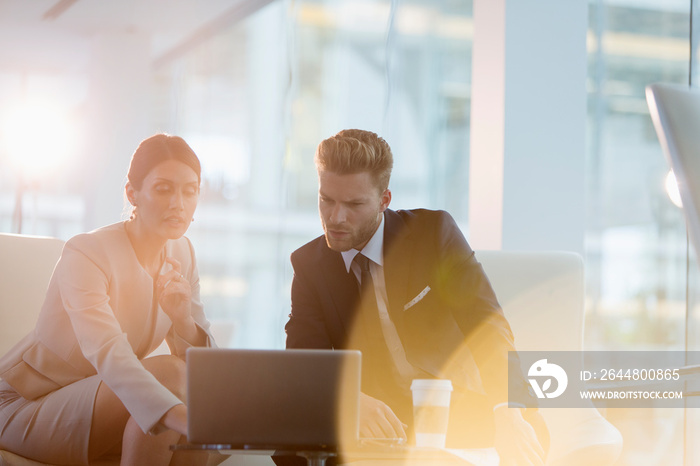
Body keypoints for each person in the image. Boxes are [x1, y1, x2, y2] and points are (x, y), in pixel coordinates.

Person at [282, 129, 547, 465]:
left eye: (354, 204)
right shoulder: (310, 265)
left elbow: (488, 326)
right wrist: (349, 397)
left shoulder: (432, 235)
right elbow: (305, 360)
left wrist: (507, 411)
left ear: (384, 200)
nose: (336, 217)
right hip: (382, 422)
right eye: (326, 200)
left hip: (462, 407)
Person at [0, 134, 213, 466]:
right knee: (170, 378)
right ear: (132, 193)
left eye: (190, 190)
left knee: (210, 436)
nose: (178, 203)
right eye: (163, 189)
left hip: (103, 401)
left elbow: (205, 371)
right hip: (27, 404)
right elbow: (109, 353)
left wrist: (183, 319)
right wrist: (180, 415)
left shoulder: (182, 252)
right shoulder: (87, 252)